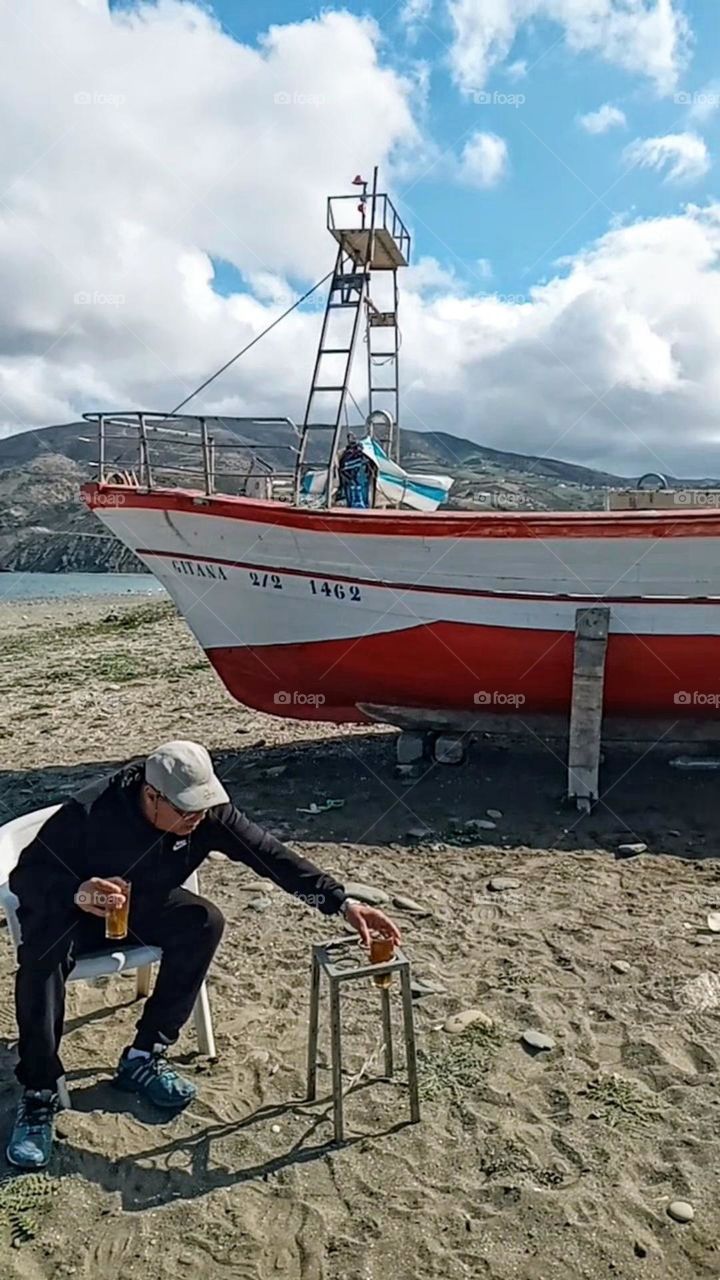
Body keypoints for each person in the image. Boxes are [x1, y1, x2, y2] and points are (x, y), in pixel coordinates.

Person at [6, 741, 400, 1169]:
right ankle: (39, 1092)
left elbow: (269, 855)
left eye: (202, 808)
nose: (196, 820)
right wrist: (79, 892)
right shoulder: (89, 812)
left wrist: (342, 903)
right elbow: (27, 877)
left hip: (142, 909)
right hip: (74, 915)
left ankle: (145, 1055)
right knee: (40, 956)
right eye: (186, 811)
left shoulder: (205, 816)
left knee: (202, 922)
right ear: (152, 796)